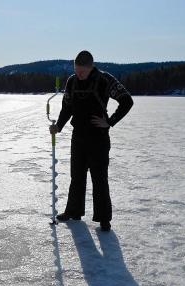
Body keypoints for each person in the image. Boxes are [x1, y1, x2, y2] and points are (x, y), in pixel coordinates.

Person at [50, 50, 133, 231]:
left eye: (82, 72)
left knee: (99, 179)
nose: (78, 75)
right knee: (77, 177)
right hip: (78, 136)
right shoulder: (72, 81)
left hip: (98, 138)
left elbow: (127, 101)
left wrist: (109, 122)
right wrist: (59, 126)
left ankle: (104, 219)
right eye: (76, 70)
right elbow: (67, 107)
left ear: (90, 67)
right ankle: (73, 211)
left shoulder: (104, 79)